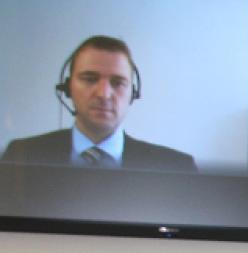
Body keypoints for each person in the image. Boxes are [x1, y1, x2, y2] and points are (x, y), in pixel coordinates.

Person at [1, 35, 196, 172]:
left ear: (133, 93)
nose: (103, 94)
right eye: (90, 79)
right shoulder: (21, 155)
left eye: (117, 82)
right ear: (68, 88)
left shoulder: (176, 167)